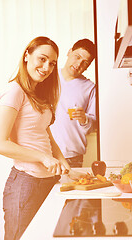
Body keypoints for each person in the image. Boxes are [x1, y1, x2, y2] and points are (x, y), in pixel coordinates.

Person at [0, 36, 82, 240]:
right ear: (27, 55)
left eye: (52, 63)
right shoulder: (14, 91)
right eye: (42, 59)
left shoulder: (36, 94)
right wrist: (43, 157)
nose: (46, 67)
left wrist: (62, 160)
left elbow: (45, 133)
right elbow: (0, 143)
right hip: (25, 184)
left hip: (47, 181)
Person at [50, 38, 96, 167]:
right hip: (44, 154)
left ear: (88, 66)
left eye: (85, 62)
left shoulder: (90, 88)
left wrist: (84, 119)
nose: (78, 64)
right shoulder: (47, 75)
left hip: (72, 157)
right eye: (77, 56)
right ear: (69, 52)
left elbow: (93, 125)